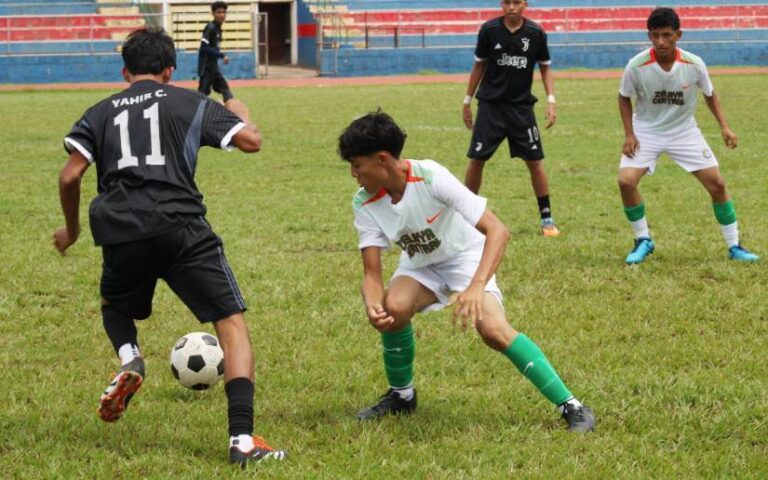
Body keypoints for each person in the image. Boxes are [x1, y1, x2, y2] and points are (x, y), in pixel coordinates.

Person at [53, 27, 285, 467]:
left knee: (114, 305)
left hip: (121, 229)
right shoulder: (188, 101)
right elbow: (251, 143)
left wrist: (72, 230)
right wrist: (241, 113)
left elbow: (69, 176)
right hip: (181, 227)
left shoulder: (98, 113)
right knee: (230, 324)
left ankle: (131, 358)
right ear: (169, 70)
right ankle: (242, 441)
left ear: (125, 71)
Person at [339, 110, 595, 432]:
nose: (354, 174)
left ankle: (572, 405)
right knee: (393, 310)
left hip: (466, 258)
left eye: (357, 165)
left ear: (382, 159)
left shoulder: (430, 176)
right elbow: (372, 274)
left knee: (492, 330)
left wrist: (476, 285)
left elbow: (498, 231)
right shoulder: (363, 202)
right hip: (421, 264)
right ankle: (402, 395)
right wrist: (373, 304)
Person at [617, 7, 759, 264]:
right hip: (647, 131)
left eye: (667, 35)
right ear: (649, 36)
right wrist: (629, 134)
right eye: (655, 35)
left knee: (717, 184)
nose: (661, 41)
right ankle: (643, 239)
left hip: (684, 131)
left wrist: (724, 127)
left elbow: (710, 94)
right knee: (626, 181)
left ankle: (735, 246)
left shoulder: (694, 64)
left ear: (678, 35)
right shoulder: (636, 66)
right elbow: (624, 97)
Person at [462, 0, 560, 237]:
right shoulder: (489, 30)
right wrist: (467, 101)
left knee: (535, 161)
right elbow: (479, 66)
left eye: (517, 2)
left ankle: (547, 219)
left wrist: (551, 100)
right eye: (507, 2)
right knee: (477, 159)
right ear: (501, 4)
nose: (512, 7)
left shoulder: (536, 33)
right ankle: (465, 217)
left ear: (525, 4)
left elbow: (545, 67)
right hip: (490, 107)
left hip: (521, 109)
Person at [198, 1, 233, 102]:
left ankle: (227, 109)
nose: (222, 15)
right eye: (219, 12)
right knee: (202, 95)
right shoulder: (210, 28)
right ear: (213, 13)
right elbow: (204, 48)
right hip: (206, 68)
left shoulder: (218, 29)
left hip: (213, 67)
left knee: (225, 89)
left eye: (224, 12)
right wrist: (221, 55)